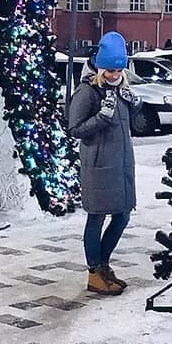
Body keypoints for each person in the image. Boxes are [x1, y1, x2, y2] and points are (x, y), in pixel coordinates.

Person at [67, 32, 144, 296]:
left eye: (120, 69)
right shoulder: (87, 91)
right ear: (100, 66)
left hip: (122, 164)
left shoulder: (121, 90)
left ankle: (103, 265)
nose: (115, 74)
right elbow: (75, 128)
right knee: (96, 217)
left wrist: (135, 106)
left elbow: (135, 126)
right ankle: (94, 272)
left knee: (122, 215)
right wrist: (102, 116)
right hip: (98, 166)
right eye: (110, 70)